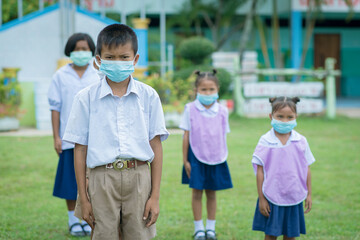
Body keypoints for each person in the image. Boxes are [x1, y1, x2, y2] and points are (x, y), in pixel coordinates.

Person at [63, 23, 169, 240]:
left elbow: (155, 145)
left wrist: (155, 196)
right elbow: (80, 149)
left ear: (135, 59)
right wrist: (83, 198)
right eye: (110, 57)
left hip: (139, 177)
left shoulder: (149, 96)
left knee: (139, 235)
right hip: (101, 178)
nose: (117, 62)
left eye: (124, 57)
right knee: (104, 235)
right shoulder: (86, 98)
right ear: (98, 61)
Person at [48, 32, 98, 236]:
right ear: (70, 50)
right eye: (77, 49)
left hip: (96, 139)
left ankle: (88, 220)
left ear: (92, 51)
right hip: (70, 139)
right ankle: (73, 221)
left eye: (85, 49)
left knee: (93, 181)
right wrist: (56, 137)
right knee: (71, 181)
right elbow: (55, 107)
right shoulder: (60, 75)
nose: (81, 52)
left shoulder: (97, 74)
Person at [251, 97, 315, 240]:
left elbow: (307, 168)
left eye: (289, 117)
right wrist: (262, 198)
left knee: (290, 235)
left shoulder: (301, 141)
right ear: (271, 116)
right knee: (270, 235)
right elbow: (260, 171)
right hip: (271, 195)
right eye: (280, 116)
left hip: (294, 195)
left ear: (296, 117)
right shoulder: (265, 140)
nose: (284, 121)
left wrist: (309, 194)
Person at [180, 70, 233, 240]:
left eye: (211, 89)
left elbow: (223, 135)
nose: (207, 93)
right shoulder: (190, 109)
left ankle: (210, 228)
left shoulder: (223, 111)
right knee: (196, 193)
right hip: (196, 156)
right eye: (203, 89)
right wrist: (185, 160)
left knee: (212, 193)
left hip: (216, 157)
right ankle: (198, 229)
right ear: (196, 90)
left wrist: (221, 155)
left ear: (217, 89)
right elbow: (186, 135)